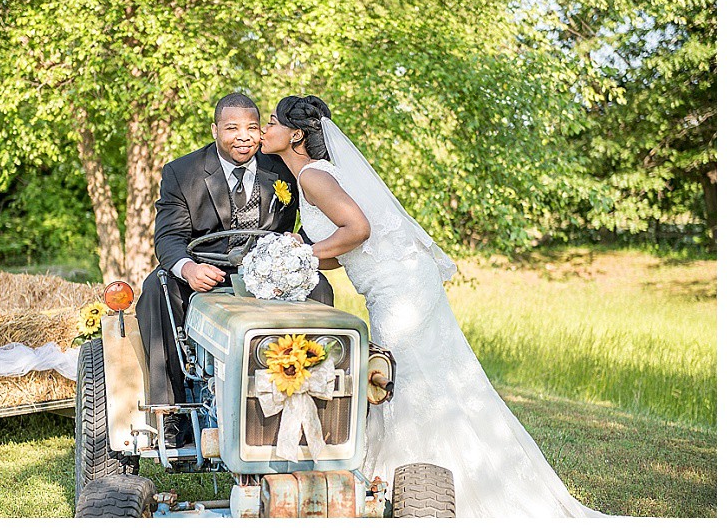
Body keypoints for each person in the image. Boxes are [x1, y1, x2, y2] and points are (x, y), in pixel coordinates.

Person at [259, 95, 607, 517]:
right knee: (414, 380)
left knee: (403, 383)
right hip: (393, 282)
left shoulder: (315, 176)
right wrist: (297, 256)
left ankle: (421, 489)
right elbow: (343, 248)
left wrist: (306, 253)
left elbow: (359, 229)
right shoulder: (309, 176)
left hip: (401, 287)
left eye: (271, 122)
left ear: (296, 134)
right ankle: (410, 486)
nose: (263, 129)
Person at [136, 93, 333, 448]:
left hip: (268, 275)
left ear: (261, 131)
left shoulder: (282, 168)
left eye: (252, 127)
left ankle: (316, 399)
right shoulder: (182, 172)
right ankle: (172, 411)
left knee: (319, 286)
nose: (243, 136)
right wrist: (189, 268)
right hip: (206, 273)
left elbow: (314, 223)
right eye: (232, 128)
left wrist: (293, 250)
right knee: (157, 288)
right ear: (215, 130)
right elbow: (169, 237)